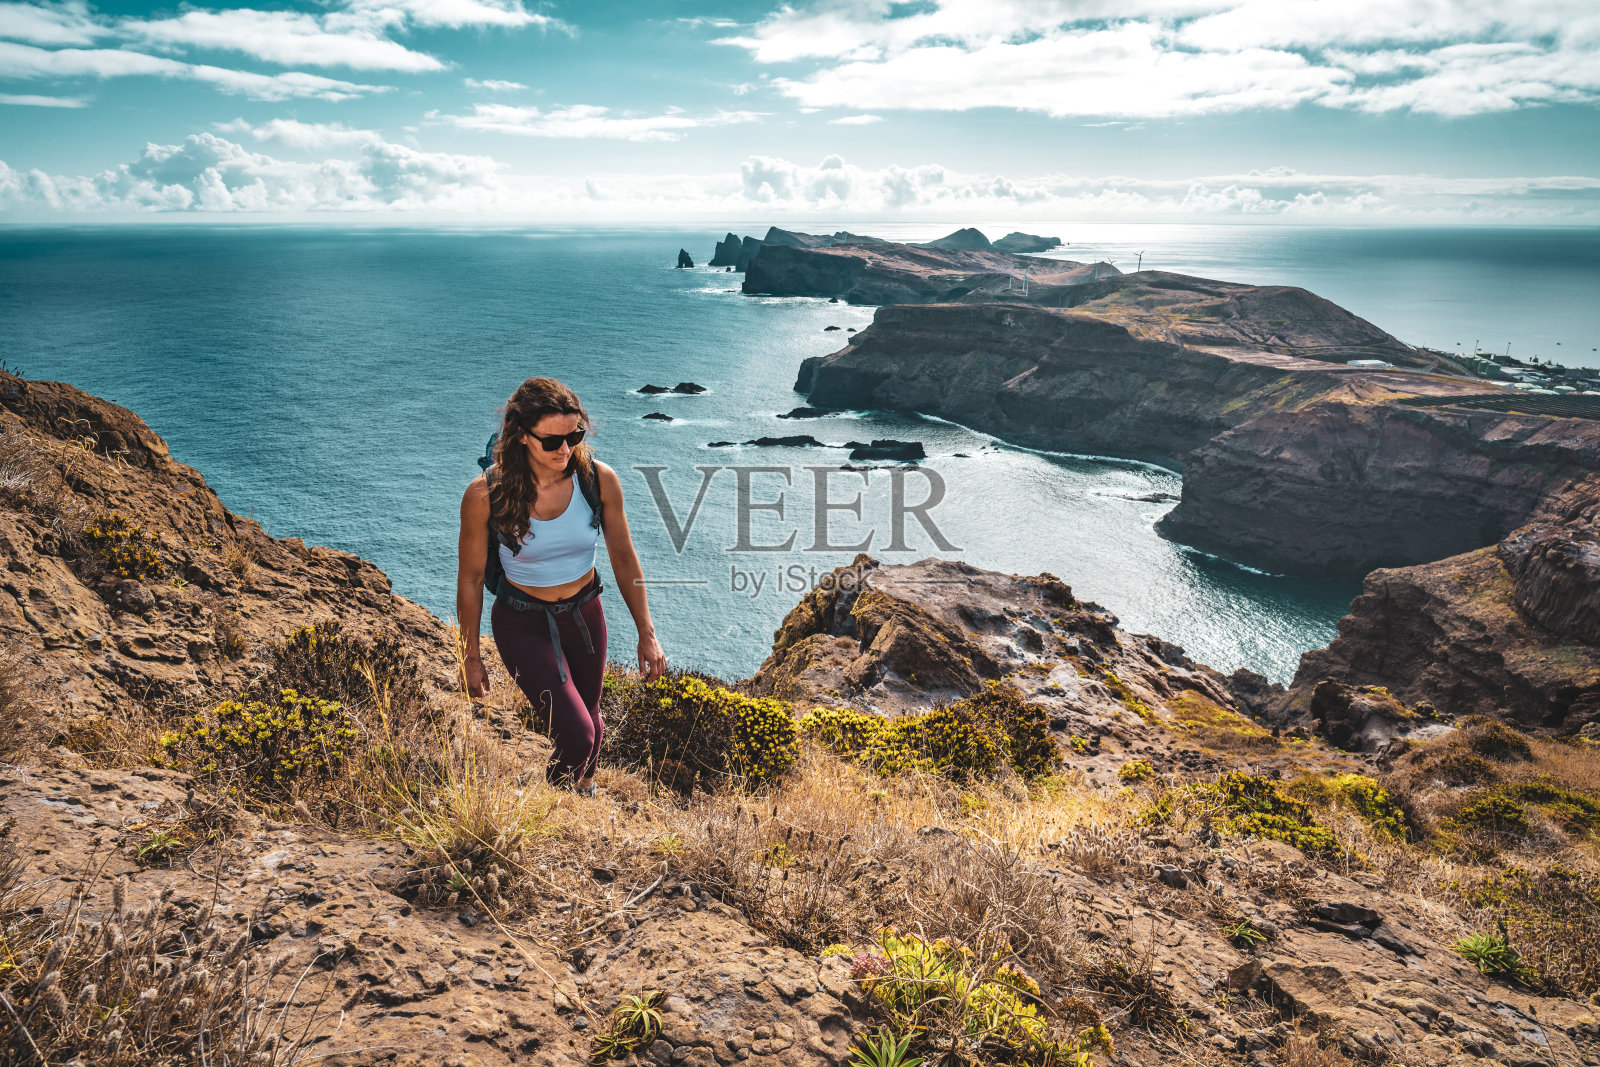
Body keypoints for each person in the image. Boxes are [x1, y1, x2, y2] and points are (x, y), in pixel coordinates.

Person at [457, 377, 667, 794]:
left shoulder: (598, 480)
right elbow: (472, 578)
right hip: (522, 624)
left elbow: (624, 558)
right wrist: (471, 654)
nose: (565, 449)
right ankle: (550, 804)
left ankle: (581, 795)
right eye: (552, 441)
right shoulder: (486, 494)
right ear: (521, 436)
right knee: (577, 735)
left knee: (592, 722)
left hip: (585, 615)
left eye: (575, 435)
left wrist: (647, 633)